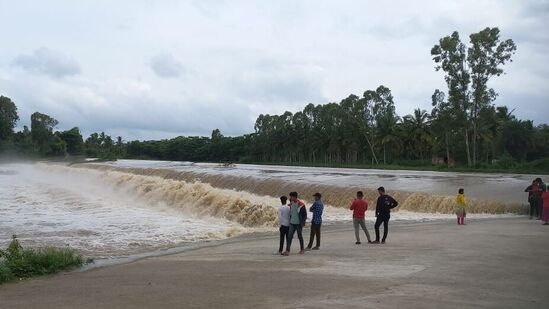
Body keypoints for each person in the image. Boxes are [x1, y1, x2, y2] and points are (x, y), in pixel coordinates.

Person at [282, 192, 307, 256]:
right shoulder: (290, 204)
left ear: (295, 197)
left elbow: (305, 215)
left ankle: (302, 249)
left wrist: (303, 223)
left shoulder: (301, 205)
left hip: (298, 224)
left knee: (299, 236)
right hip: (292, 223)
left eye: (291, 197)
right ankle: (287, 251)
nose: (290, 198)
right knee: (289, 236)